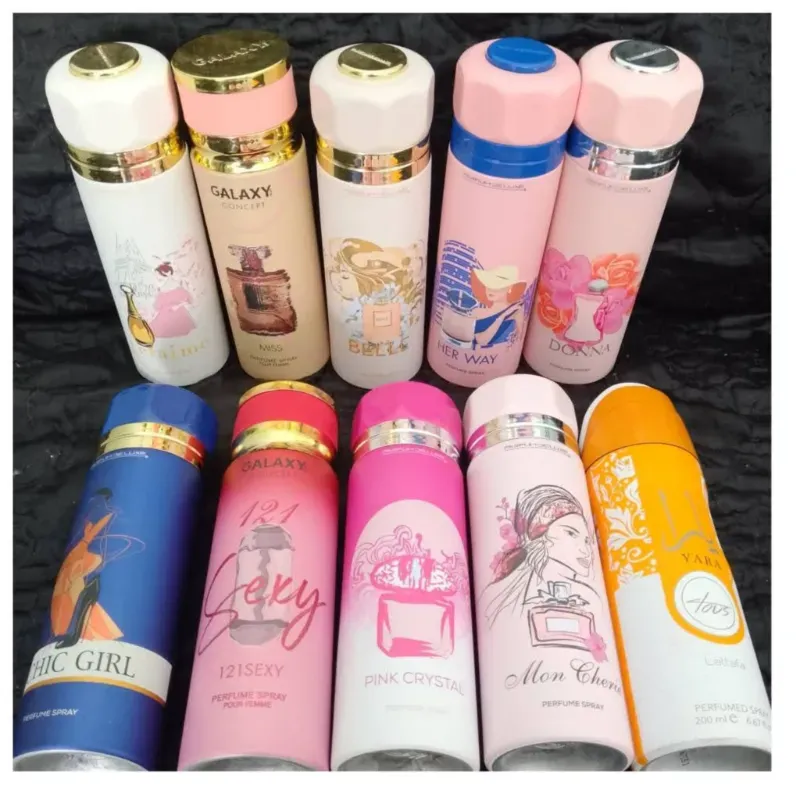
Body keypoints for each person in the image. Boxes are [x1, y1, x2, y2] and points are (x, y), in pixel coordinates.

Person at [483, 484, 598, 628]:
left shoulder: (591, 597)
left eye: (587, 540)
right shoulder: (502, 595)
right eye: (571, 533)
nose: (585, 549)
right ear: (541, 534)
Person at [467, 266, 527, 348]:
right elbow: (480, 340)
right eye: (488, 284)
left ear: (510, 288)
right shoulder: (476, 311)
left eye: (497, 285)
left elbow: (519, 340)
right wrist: (502, 316)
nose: (491, 289)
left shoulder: (516, 310)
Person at [149, 261, 196, 339]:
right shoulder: (161, 292)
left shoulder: (179, 290)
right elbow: (157, 308)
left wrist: (178, 306)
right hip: (163, 318)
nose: (157, 280)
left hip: (178, 317)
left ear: (168, 275)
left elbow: (189, 301)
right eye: (157, 278)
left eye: (159, 278)